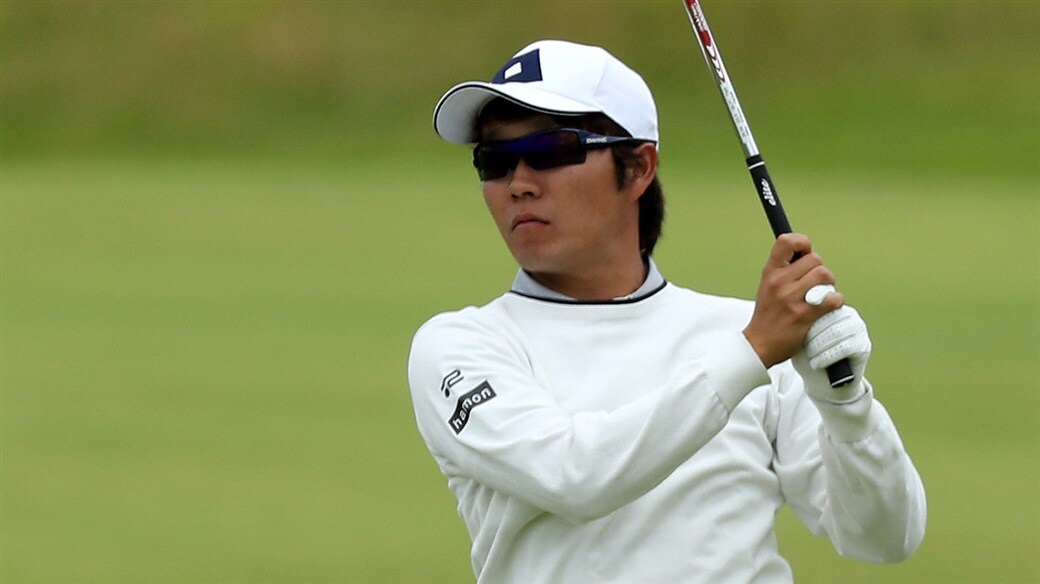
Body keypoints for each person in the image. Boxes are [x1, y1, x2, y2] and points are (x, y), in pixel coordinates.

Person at [408, 39, 926, 583]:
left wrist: (845, 403)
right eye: (493, 161)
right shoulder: (461, 347)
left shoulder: (746, 336)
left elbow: (886, 537)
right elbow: (574, 476)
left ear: (638, 168)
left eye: (552, 150)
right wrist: (752, 351)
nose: (518, 183)